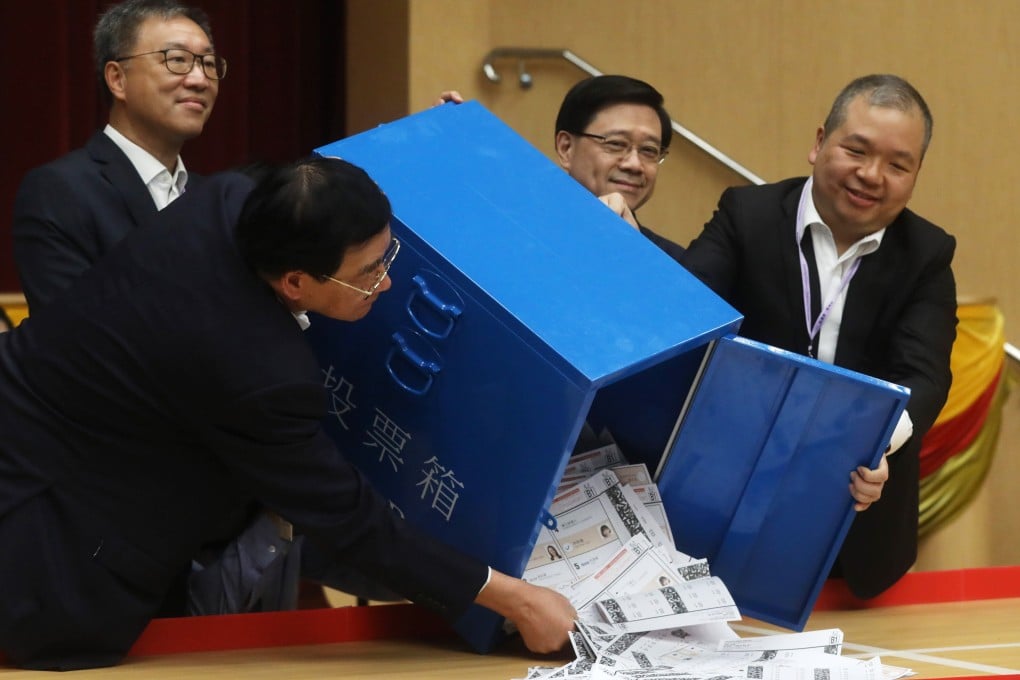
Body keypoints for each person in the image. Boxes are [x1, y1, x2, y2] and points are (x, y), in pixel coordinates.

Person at [0, 157, 576, 670]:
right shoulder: (258, 370)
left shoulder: (232, 199)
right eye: (368, 273)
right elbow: (352, 521)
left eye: (386, 255)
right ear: (295, 282)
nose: (387, 281)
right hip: (49, 528)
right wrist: (515, 598)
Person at [681, 74, 957, 599]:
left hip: (855, 511)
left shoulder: (926, 253)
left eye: (898, 165)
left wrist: (876, 446)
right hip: (729, 491)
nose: (872, 175)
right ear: (819, 143)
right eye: (857, 150)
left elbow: (923, 375)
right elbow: (686, 317)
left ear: (916, 174)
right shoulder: (748, 215)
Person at [12, 0, 222, 311]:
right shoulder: (60, 190)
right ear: (117, 79)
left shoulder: (214, 199)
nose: (200, 79)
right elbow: (74, 335)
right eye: (177, 60)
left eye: (208, 63)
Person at [552, 75, 685, 261]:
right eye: (616, 144)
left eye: (649, 150)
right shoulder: (518, 226)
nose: (634, 164)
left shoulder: (673, 264)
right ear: (566, 148)